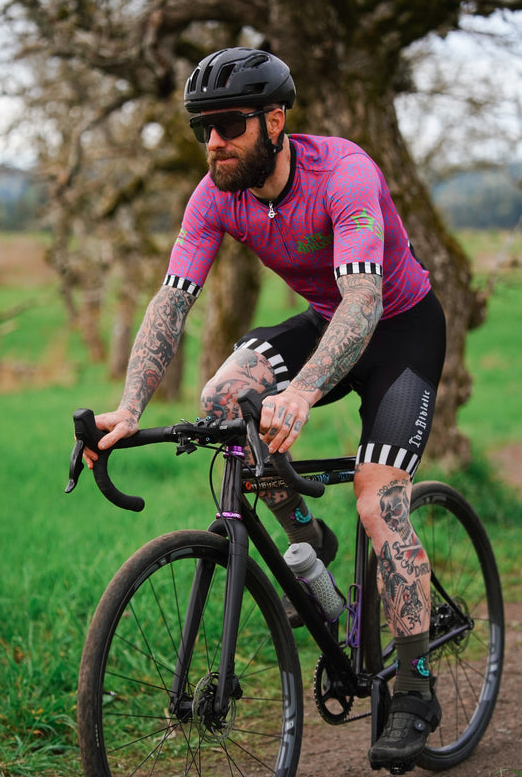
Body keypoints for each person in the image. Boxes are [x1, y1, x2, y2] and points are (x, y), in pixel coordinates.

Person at [83, 47, 445, 770]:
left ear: (274, 122)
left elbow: (363, 301)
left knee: (379, 503)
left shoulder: (344, 174)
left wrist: (302, 392)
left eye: (228, 126)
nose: (213, 142)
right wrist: (128, 406)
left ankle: (413, 687)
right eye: (201, 129)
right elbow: (172, 301)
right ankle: (309, 537)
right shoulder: (214, 194)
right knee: (223, 398)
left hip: (399, 329)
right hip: (324, 320)